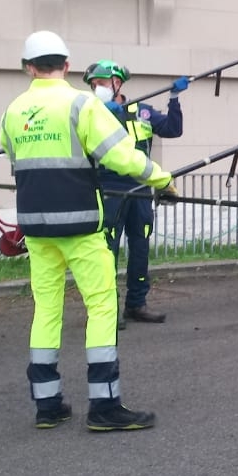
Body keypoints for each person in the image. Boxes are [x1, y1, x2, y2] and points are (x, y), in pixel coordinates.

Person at [1, 31, 174, 432]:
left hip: (36, 227)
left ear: (29, 67)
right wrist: (162, 179)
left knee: (46, 309)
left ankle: (48, 406)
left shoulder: (12, 111)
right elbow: (121, 155)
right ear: (66, 65)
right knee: (101, 307)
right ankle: (104, 405)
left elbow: (14, 155)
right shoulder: (81, 105)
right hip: (80, 223)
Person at [83, 59, 189, 324]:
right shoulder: (91, 112)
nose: (96, 88)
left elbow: (173, 129)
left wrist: (174, 98)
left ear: (117, 83)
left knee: (140, 248)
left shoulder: (142, 111)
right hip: (107, 190)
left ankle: (137, 304)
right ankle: (107, 309)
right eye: (93, 85)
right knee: (106, 252)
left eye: (101, 83)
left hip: (141, 190)